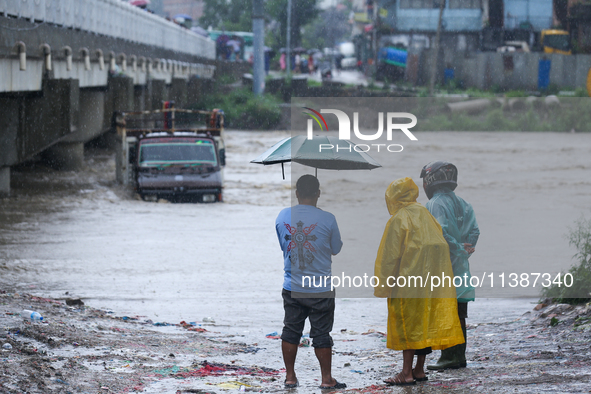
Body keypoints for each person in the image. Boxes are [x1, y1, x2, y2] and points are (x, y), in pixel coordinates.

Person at [374, 177, 464, 386]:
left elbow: (389, 256)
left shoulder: (399, 219)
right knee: (424, 323)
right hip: (432, 280)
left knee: (409, 324)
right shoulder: (426, 214)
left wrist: (383, 285)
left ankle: (405, 373)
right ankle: (419, 369)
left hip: (409, 281)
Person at [275, 175, 346, 390]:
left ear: (296, 193)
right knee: (322, 334)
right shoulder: (328, 219)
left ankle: (290, 377)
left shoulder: (282, 216)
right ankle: (326, 379)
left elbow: (284, 247)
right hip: (321, 288)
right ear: (318, 193)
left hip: (292, 286)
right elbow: (336, 248)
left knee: (291, 330)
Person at [420, 162, 480, 371]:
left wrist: (454, 247)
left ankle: (449, 357)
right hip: (461, 267)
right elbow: (474, 232)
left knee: (446, 312)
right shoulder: (464, 203)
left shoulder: (435, 203)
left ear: (429, 181)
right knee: (460, 312)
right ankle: (459, 356)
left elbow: (440, 233)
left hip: (443, 267)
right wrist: (465, 250)